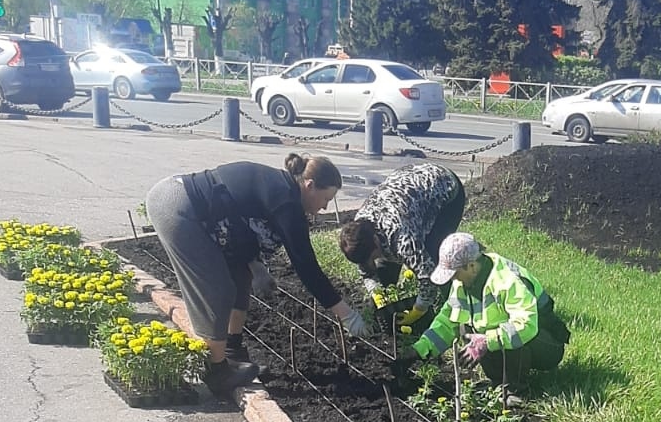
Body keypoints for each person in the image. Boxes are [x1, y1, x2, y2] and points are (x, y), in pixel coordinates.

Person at [145, 153, 367, 397]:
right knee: (217, 290)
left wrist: (256, 267)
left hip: (188, 204)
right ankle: (217, 372)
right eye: (326, 198)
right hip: (177, 208)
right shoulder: (286, 201)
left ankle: (232, 353)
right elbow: (307, 267)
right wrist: (346, 315)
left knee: (240, 276)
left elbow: (239, 225)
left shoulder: (283, 188)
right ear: (309, 185)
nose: (324, 207)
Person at [411, 232, 570, 387]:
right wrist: (418, 350)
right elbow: (447, 322)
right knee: (465, 328)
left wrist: (487, 341)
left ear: (472, 266)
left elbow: (526, 325)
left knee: (500, 332)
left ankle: (513, 386)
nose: (453, 278)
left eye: (455, 273)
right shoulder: (463, 284)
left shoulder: (507, 280)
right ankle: (498, 381)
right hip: (514, 338)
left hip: (546, 344)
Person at [337, 164, 466, 334]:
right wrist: (376, 291)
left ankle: (450, 309)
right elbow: (366, 269)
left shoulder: (402, 238)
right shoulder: (360, 228)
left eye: (371, 256)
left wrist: (418, 309)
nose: (370, 262)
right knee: (386, 265)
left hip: (443, 187)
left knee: (435, 254)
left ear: (375, 239)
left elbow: (427, 275)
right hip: (407, 190)